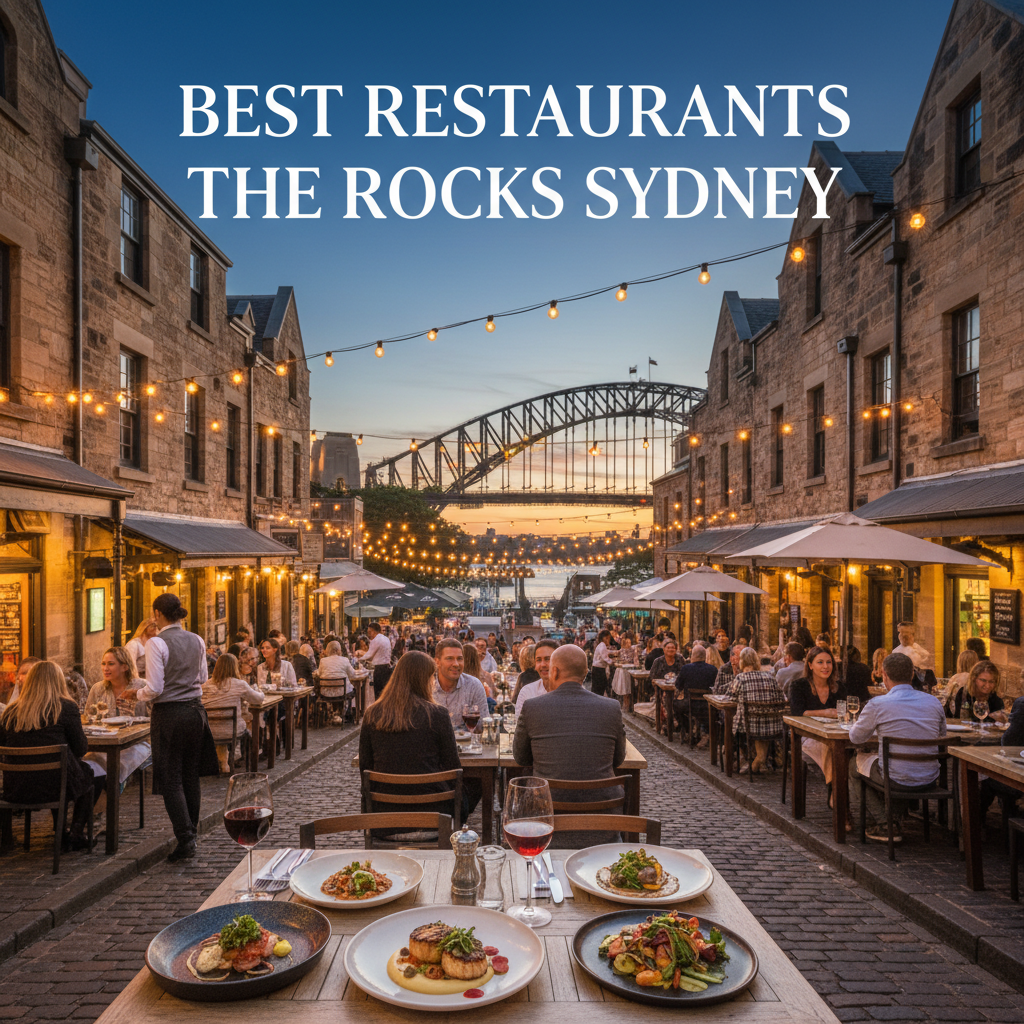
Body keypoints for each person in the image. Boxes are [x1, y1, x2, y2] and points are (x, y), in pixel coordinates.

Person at [124, 593, 218, 862]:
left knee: (170, 779)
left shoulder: (156, 642)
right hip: (196, 711)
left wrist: (137, 694)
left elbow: (154, 688)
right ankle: (192, 834)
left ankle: (186, 839)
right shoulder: (197, 639)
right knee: (190, 776)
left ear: (157, 614)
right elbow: (202, 677)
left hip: (170, 714)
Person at [512, 644, 627, 845]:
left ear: (554, 671)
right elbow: (618, 759)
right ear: (586, 673)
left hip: (546, 820)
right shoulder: (611, 707)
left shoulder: (533, 707)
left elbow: (520, 758)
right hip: (603, 822)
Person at [0, 661, 101, 850]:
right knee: (87, 772)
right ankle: (76, 833)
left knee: (60, 772)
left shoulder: (10, 711)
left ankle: (62, 832)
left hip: (16, 788)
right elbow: (80, 749)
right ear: (58, 681)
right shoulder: (66, 708)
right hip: (55, 787)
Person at [359, 650, 461, 835]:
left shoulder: (372, 714)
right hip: (432, 816)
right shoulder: (437, 715)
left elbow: (365, 768)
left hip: (383, 818)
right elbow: (452, 768)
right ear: (423, 680)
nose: (433, 682)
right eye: (432, 677)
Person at [849, 652, 947, 842]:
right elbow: (941, 735)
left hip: (895, 777)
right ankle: (893, 817)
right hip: (929, 777)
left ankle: (885, 823)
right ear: (912, 675)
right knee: (895, 763)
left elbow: (855, 737)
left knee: (854, 765)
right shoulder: (933, 702)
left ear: (884, 675)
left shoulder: (877, 704)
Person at [83, 647, 152, 786]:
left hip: (137, 741)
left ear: (125, 666)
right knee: (89, 762)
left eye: (111, 664)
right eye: (103, 664)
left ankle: (113, 790)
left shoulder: (143, 687)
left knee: (116, 763)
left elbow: (156, 718)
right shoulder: (98, 689)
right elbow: (88, 717)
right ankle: (100, 795)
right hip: (106, 742)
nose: (105, 668)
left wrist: (133, 718)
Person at [790, 646, 846, 797]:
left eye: (829, 662)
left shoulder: (838, 687)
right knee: (829, 749)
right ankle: (835, 792)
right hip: (807, 735)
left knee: (844, 751)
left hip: (834, 734)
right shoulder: (799, 686)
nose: (825, 666)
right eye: (820, 662)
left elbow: (844, 711)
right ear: (810, 665)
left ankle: (836, 792)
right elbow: (797, 713)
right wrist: (826, 713)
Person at [201, 653, 266, 773]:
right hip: (232, 730)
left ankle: (225, 763)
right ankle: (243, 760)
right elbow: (258, 699)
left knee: (222, 726)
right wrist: (259, 690)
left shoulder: (205, 685)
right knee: (244, 724)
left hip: (209, 731)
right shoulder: (239, 684)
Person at [729, 647, 786, 773]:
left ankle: (755, 762)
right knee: (763, 725)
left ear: (741, 661)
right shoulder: (770, 677)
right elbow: (781, 698)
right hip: (772, 726)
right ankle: (760, 760)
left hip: (749, 726)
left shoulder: (741, 678)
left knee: (735, 721)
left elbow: (730, 698)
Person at [432, 639, 488, 729]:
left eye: (459, 659)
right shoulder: (426, 687)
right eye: (449, 658)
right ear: (437, 662)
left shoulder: (474, 686)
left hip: (466, 742)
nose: (456, 664)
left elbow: (483, 726)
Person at [672, 643, 719, 745]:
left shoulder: (686, 668)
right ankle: (704, 732)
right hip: (707, 705)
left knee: (675, 705)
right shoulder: (713, 669)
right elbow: (716, 687)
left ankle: (688, 730)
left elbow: (678, 685)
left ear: (693, 656)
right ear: (704, 656)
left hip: (689, 705)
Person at [514, 639, 557, 715]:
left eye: (547, 659)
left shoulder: (571, 692)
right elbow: (519, 723)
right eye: (539, 660)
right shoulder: (527, 692)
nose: (543, 665)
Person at [366, 622, 393, 699]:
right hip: (387, 668)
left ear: (374, 631)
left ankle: (378, 710)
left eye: (369, 632)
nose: (369, 634)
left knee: (378, 694)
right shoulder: (385, 638)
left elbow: (369, 655)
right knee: (385, 694)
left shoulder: (376, 640)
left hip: (379, 669)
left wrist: (359, 657)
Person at [591, 629, 614, 697]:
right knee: (600, 688)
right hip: (599, 670)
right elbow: (605, 658)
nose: (609, 640)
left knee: (597, 689)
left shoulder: (601, 645)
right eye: (608, 638)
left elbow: (606, 652)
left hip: (597, 669)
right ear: (605, 638)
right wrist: (612, 662)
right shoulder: (602, 645)